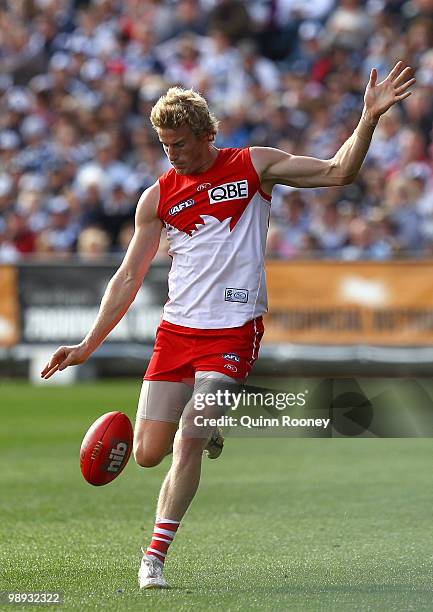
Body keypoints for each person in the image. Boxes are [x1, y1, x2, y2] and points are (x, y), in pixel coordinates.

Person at [41, 62, 415, 589]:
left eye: (180, 144)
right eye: (164, 144)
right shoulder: (158, 196)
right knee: (148, 454)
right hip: (176, 332)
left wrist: (368, 118)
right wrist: (86, 344)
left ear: (208, 134)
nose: (172, 154)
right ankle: (208, 424)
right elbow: (127, 277)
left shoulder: (252, 166)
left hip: (234, 328)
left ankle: (154, 556)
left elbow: (338, 172)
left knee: (189, 436)